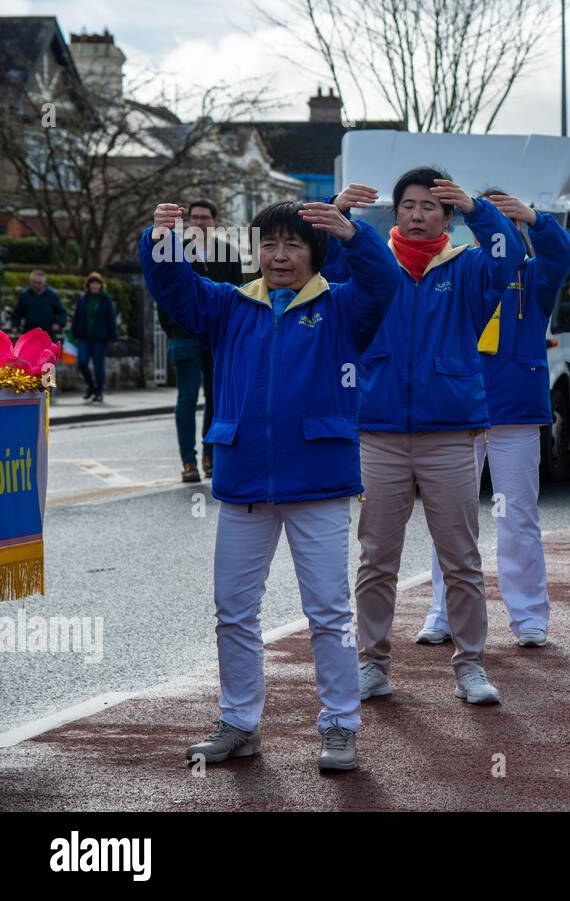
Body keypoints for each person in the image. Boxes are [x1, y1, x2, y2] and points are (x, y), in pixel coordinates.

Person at [141, 198, 398, 772]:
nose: (279, 256)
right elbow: (172, 283)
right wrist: (161, 236)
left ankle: (339, 726)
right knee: (233, 611)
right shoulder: (229, 305)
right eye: (270, 244)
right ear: (257, 251)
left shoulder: (343, 307)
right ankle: (238, 724)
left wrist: (355, 236)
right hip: (245, 484)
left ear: (315, 253)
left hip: (320, 483)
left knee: (328, 613)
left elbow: (384, 284)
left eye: (294, 245)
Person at [327, 169, 526, 708]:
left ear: (447, 217)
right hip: (379, 431)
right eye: (408, 206)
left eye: (430, 207)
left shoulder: (466, 266)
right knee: (376, 557)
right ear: (394, 214)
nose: (417, 215)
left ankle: (471, 666)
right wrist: (337, 212)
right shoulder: (369, 263)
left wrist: (481, 210)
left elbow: (509, 256)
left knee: (460, 556)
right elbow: (318, 264)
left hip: (450, 432)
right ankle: (371, 664)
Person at [418, 190, 570, 649]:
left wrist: (534, 218)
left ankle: (528, 616)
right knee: (449, 519)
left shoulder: (535, 276)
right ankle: (442, 612)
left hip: (515, 414)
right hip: (458, 412)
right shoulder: (459, 271)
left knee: (518, 518)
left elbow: (561, 252)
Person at [154, 198, 244, 482]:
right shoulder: (175, 251)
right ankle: (188, 462)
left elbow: (237, 294)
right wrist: (172, 329)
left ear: (214, 221)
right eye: (195, 217)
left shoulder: (228, 252)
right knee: (187, 398)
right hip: (183, 336)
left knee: (216, 399)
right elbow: (163, 293)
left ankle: (210, 455)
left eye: (205, 217)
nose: (200, 222)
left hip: (217, 337)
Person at [70, 272, 117, 403]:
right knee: (82, 363)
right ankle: (91, 386)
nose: (95, 286)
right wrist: (73, 333)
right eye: (92, 283)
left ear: (101, 285)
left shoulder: (106, 300)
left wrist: (113, 337)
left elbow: (111, 320)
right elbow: (76, 317)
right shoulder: (83, 299)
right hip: (84, 337)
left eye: (97, 283)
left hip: (100, 339)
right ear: (88, 285)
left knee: (98, 365)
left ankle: (99, 391)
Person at [11, 269, 67, 338]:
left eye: (39, 282)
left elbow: (62, 312)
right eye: (34, 282)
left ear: (44, 282)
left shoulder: (52, 295)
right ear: (31, 282)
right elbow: (18, 313)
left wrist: (59, 324)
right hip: (30, 333)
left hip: (48, 334)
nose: (36, 285)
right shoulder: (25, 295)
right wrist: (15, 325)